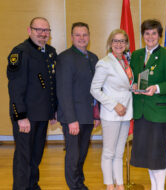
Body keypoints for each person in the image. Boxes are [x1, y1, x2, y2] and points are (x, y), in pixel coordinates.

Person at [7, 17, 57, 190]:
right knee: (23, 157)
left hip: (42, 115)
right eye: (39, 30)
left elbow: (51, 84)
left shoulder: (50, 52)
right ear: (29, 31)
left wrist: (53, 111)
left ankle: (32, 186)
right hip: (26, 117)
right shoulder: (20, 52)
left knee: (36, 156)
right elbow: (15, 88)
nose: (43, 34)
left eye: (46, 30)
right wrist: (21, 116)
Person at [129, 19, 166, 190]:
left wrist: (157, 88)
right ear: (142, 35)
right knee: (146, 155)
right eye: (147, 33)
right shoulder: (135, 55)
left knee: (157, 154)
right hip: (141, 112)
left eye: (154, 33)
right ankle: (154, 186)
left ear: (159, 35)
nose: (150, 37)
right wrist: (133, 85)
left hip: (158, 112)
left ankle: (160, 187)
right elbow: (131, 78)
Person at [56, 22, 100, 190]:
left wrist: (96, 114)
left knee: (82, 154)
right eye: (78, 35)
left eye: (85, 35)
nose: (82, 38)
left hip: (88, 116)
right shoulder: (65, 58)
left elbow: (95, 90)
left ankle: (80, 184)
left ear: (89, 36)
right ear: (72, 37)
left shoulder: (93, 57)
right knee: (73, 156)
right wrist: (71, 119)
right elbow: (63, 91)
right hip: (73, 118)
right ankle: (74, 186)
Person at [90, 29, 133, 190]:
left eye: (122, 41)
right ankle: (109, 185)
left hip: (126, 112)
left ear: (126, 44)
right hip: (111, 113)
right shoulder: (104, 63)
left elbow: (125, 86)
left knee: (119, 153)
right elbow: (94, 89)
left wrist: (133, 86)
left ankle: (119, 185)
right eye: (115, 41)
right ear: (110, 43)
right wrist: (114, 105)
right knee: (109, 152)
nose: (119, 44)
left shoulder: (126, 62)